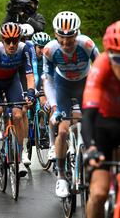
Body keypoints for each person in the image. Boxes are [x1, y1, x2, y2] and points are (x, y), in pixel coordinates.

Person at [42, 11, 99, 198]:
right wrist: (55, 107)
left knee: (93, 124)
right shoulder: (49, 50)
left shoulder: (87, 44)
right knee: (63, 129)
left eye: (70, 38)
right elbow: (48, 80)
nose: (66, 43)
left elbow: (101, 70)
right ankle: (60, 176)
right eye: (61, 38)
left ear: (77, 33)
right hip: (62, 87)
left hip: (85, 85)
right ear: (55, 34)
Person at [0, 22, 36, 177]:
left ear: (20, 39)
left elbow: (29, 76)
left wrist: (31, 92)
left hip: (12, 82)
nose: (12, 44)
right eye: (8, 41)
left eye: (15, 40)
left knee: (19, 115)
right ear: (2, 40)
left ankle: (20, 157)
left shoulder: (24, 48)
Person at [81, 20, 120, 218]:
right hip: (103, 125)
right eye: (118, 60)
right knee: (98, 193)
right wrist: (91, 148)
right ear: (109, 56)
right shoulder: (102, 64)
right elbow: (88, 114)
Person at [31, 32, 55, 160]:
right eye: (39, 47)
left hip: (45, 81)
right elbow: (32, 74)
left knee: (45, 103)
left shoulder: (50, 55)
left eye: (44, 46)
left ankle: (42, 126)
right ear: (34, 47)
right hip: (34, 81)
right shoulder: (31, 56)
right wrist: (32, 89)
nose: (42, 50)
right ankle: (33, 122)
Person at [19, 23, 37, 166]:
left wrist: (32, 89)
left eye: (25, 38)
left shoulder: (29, 47)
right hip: (10, 78)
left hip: (24, 76)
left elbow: (33, 69)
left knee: (24, 109)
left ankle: (23, 147)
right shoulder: (6, 47)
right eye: (21, 38)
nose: (22, 41)